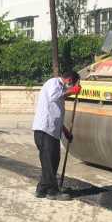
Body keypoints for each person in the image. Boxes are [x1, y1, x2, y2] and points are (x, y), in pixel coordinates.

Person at [31, 71, 82, 201]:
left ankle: (42, 189)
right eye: (73, 84)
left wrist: (65, 131)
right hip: (45, 130)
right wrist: (72, 91)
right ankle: (53, 191)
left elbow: (55, 114)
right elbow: (55, 96)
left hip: (51, 131)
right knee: (49, 161)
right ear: (69, 80)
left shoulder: (59, 88)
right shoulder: (54, 83)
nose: (70, 88)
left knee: (53, 160)